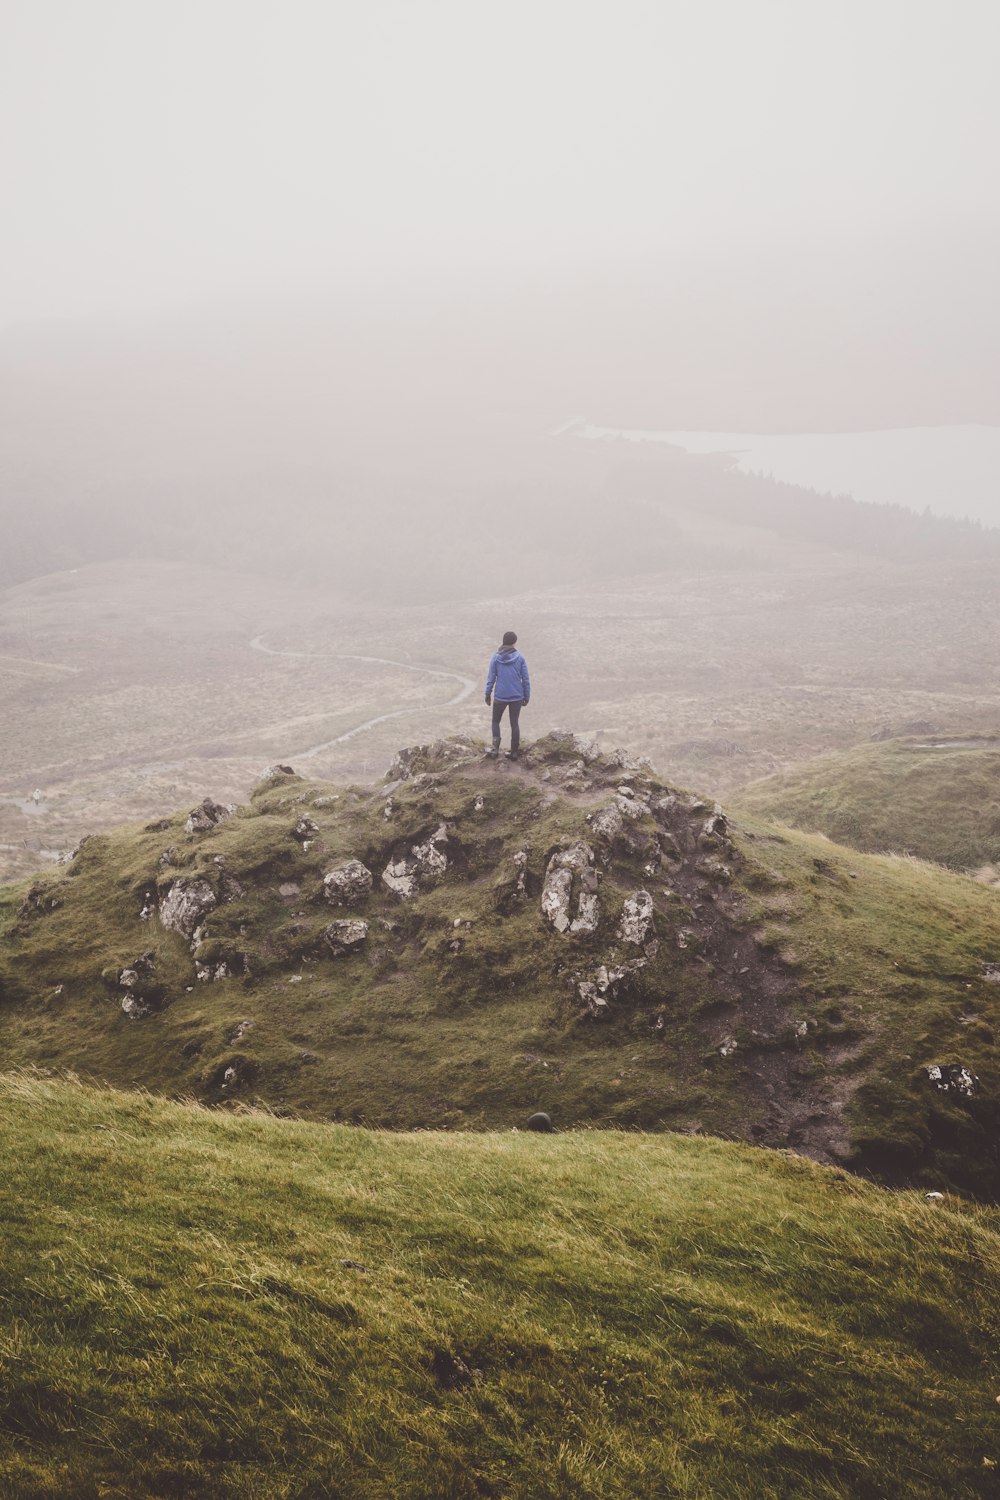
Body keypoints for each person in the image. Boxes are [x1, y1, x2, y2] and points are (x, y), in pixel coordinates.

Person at [484, 631, 530, 759]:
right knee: (514, 723)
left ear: (503, 641)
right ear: (514, 642)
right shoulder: (520, 657)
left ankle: (494, 751)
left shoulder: (495, 657)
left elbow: (491, 678)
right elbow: (525, 679)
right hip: (517, 696)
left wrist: (488, 694)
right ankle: (514, 753)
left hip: (500, 696)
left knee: (495, 721)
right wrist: (527, 696)